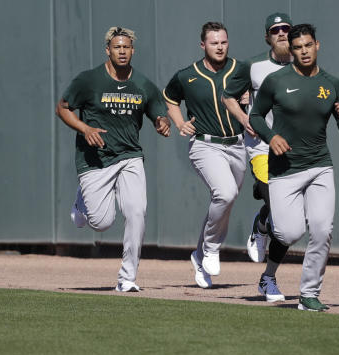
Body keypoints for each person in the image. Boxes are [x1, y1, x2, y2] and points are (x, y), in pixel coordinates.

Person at [248, 23, 339, 311]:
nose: (303, 51)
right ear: (291, 50)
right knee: (289, 233)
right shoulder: (276, 80)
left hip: (320, 165)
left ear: (317, 45)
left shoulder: (333, 84)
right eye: (297, 47)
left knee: (322, 230)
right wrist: (271, 137)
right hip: (285, 169)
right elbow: (256, 116)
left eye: (308, 45)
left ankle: (309, 294)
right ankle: (265, 222)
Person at [57, 26, 170, 292]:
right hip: (95, 159)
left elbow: (157, 111)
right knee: (101, 223)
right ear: (107, 50)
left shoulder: (142, 84)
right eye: (117, 47)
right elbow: (62, 108)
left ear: (133, 50)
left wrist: (162, 122)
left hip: (130, 156)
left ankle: (127, 278)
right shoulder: (89, 80)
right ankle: (82, 199)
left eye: (126, 47)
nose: (122, 51)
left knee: (136, 212)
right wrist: (84, 129)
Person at [163, 22, 246, 289]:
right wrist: (179, 122)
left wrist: (249, 98)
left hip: (238, 145)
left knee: (225, 203)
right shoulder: (187, 75)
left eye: (223, 42)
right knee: (225, 193)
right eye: (214, 42)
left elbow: (261, 99)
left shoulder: (240, 70)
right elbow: (170, 98)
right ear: (203, 45)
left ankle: (199, 256)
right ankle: (210, 249)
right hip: (205, 145)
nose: (220, 47)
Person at [222, 12, 294, 265]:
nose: (282, 33)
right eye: (275, 30)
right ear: (267, 37)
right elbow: (228, 96)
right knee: (273, 199)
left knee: (289, 209)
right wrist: (244, 119)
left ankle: (262, 224)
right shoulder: (252, 66)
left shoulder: (303, 65)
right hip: (261, 145)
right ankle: (263, 232)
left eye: (285, 28)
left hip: (294, 148)